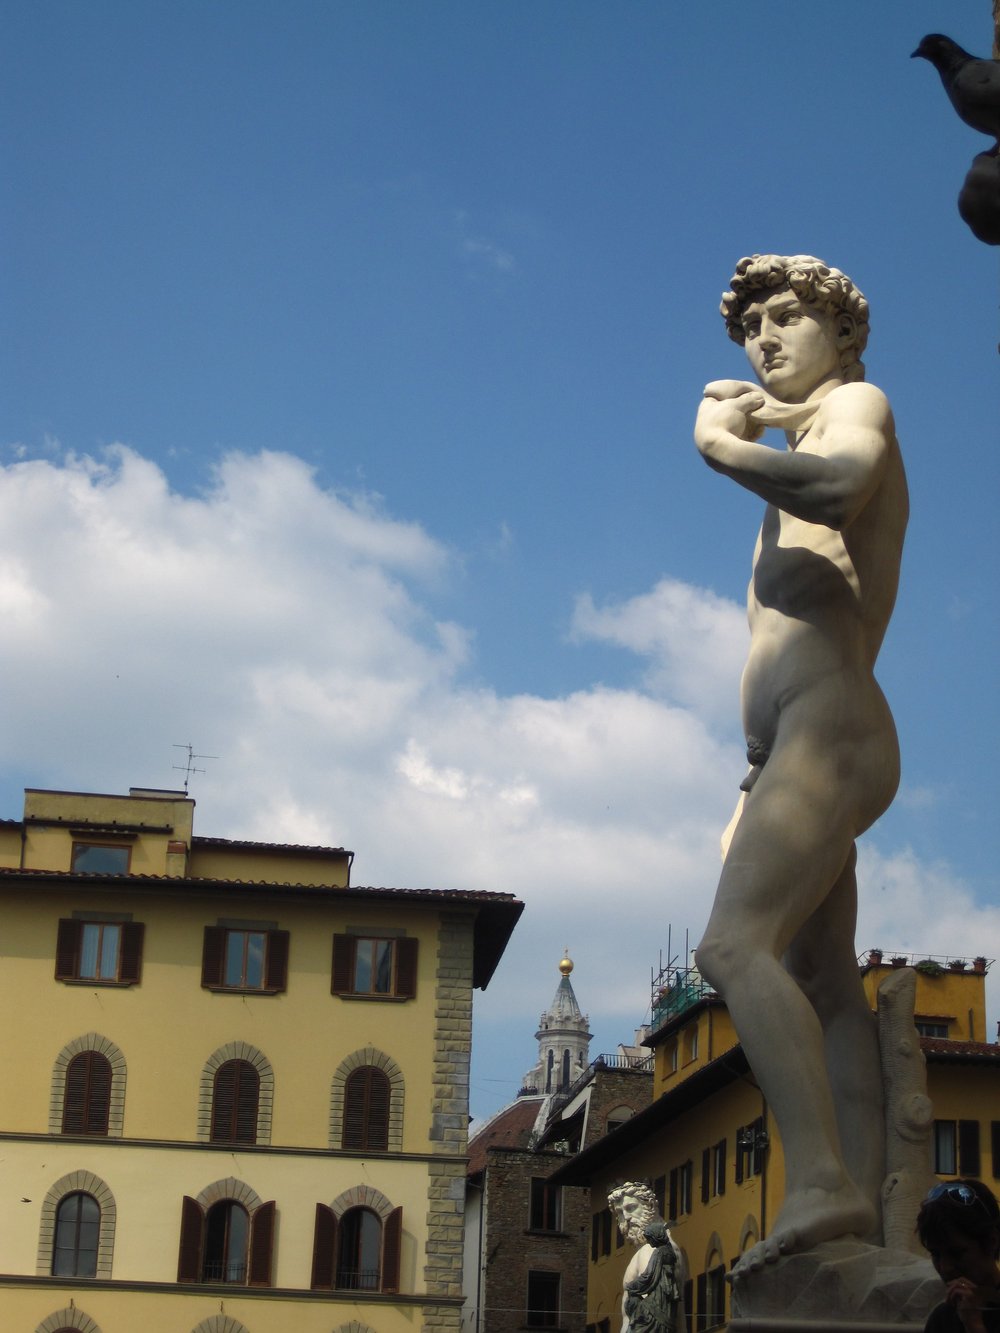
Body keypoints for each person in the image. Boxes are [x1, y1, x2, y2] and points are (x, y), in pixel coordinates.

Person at [692, 255, 909, 1269]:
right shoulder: (805, 419)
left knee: (733, 946)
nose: (763, 339)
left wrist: (722, 445)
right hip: (789, 745)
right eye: (751, 326)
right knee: (818, 979)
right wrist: (764, 426)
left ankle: (820, 1178)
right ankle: (853, 1211)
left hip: (832, 724)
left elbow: (838, 486)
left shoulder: (858, 403)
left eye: (787, 318)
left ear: (844, 335)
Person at [917, 1180, 1000, 1332]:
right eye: (935, 1254)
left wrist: (974, 1325)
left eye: (957, 1253)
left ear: (991, 1242)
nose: (945, 1267)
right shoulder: (942, 1319)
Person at [608, 1183, 683, 1333]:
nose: (626, 1217)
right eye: (620, 1212)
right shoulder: (661, 1247)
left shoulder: (651, 1250)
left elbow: (652, 1308)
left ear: (649, 1205)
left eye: (631, 1208)